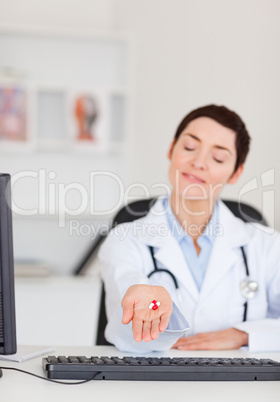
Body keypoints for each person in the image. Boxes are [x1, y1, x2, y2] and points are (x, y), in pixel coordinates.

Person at [98, 104, 280, 353]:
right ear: (171, 149)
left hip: (240, 387)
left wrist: (242, 335)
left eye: (218, 157)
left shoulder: (267, 246)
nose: (198, 162)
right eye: (190, 147)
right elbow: (126, 332)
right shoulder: (124, 240)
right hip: (152, 385)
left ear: (235, 173)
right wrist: (142, 299)